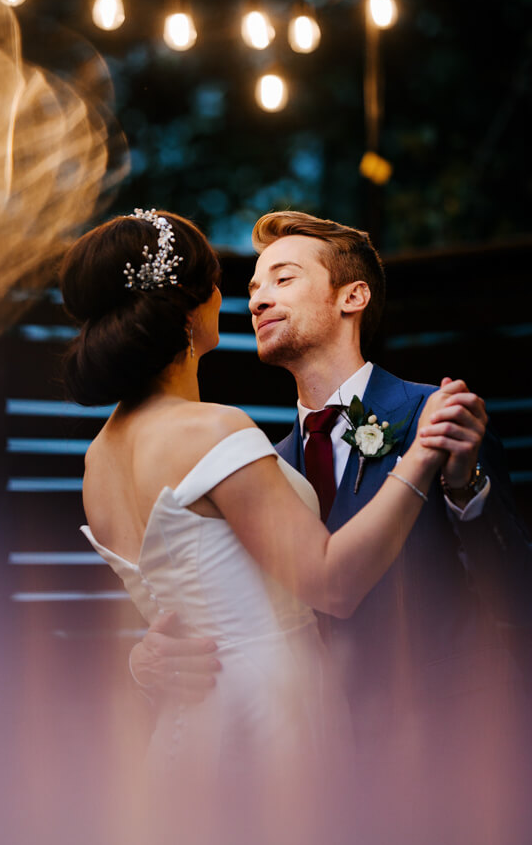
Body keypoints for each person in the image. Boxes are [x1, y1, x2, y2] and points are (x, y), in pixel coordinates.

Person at [61, 208, 470, 785]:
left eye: (281, 280)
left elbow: (182, 596)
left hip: (191, 727)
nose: (250, 298)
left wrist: (144, 657)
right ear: (190, 305)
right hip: (272, 717)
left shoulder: (96, 463)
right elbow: (329, 582)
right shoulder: (212, 431)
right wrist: (421, 457)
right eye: (237, 285)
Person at [129, 210, 529, 752]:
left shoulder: (432, 415)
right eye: (253, 289)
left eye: (283, 278)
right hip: (318, 749)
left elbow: (514, 595)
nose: (257, 300)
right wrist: (151, 654)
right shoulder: (261, 467)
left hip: (448, 741)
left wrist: (464, 489)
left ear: (352, 297)